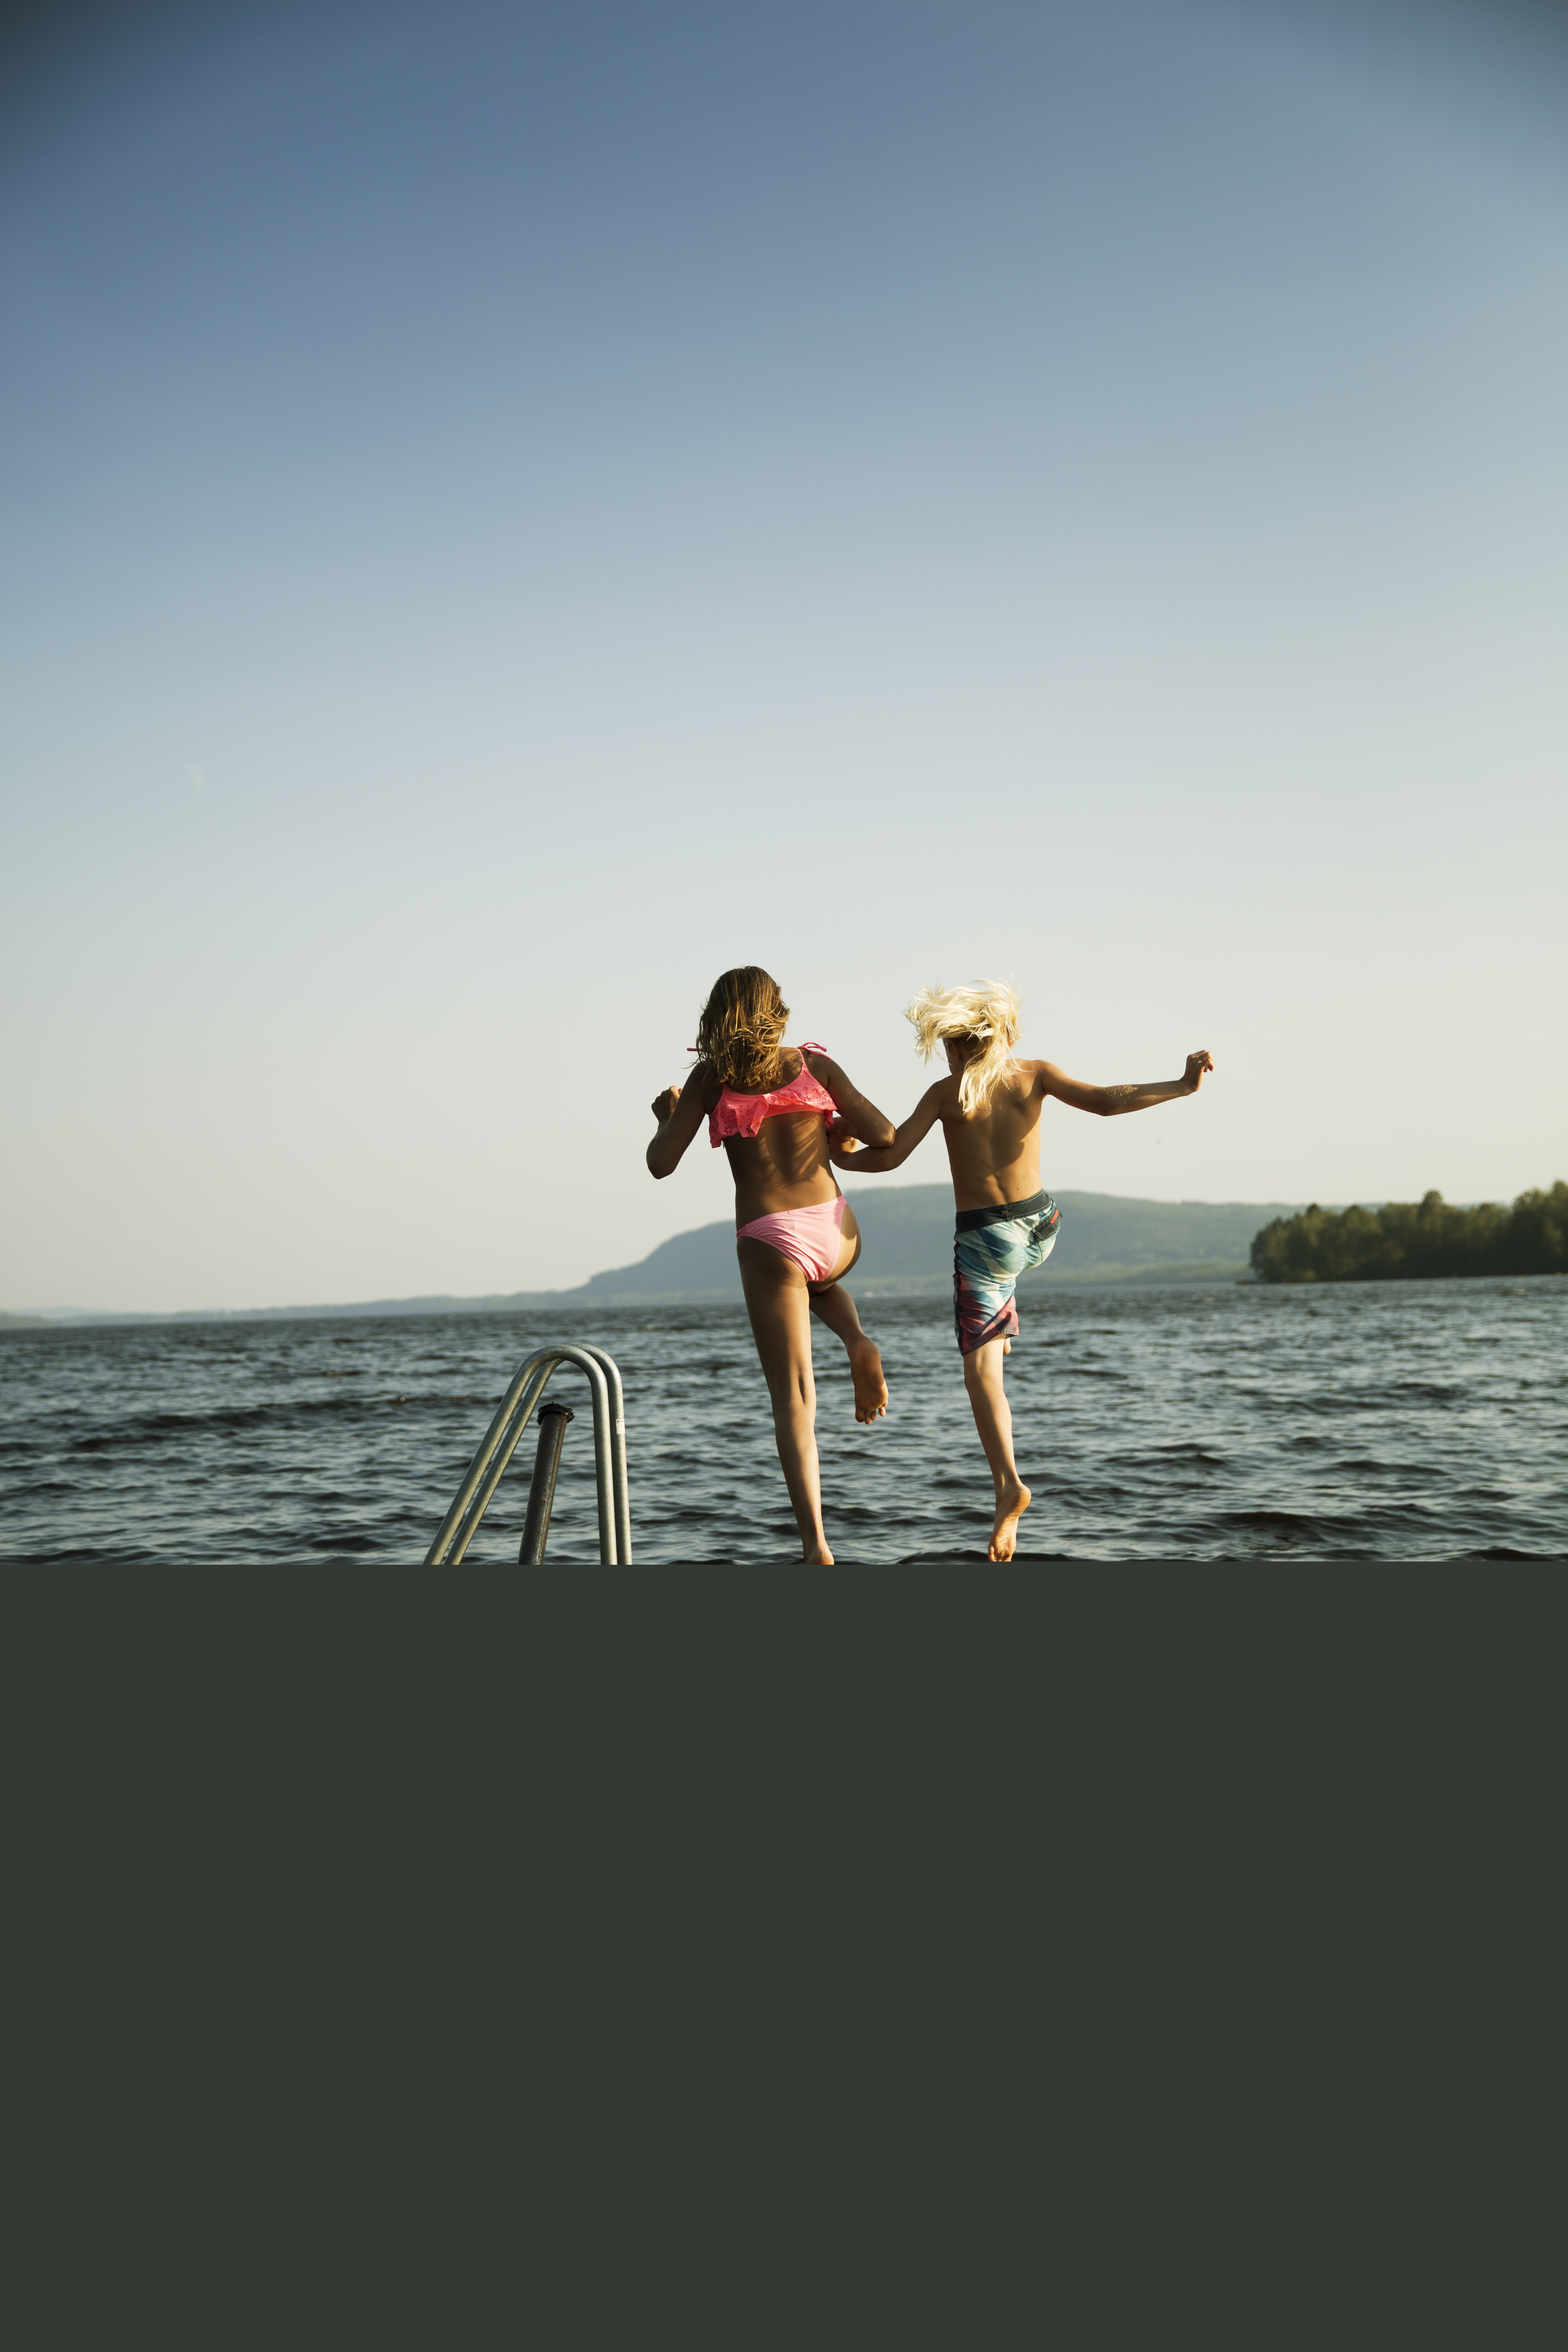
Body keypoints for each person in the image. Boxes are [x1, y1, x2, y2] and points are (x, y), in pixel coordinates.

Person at [832, 980, 1215, 1561]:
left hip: (987, 1239)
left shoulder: (946, 1093)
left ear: (955, 1047)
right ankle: (1001, 1323)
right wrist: (1183, 1086)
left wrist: (840, 1156)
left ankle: (1009, 1486)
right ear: (1004, 1036)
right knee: (999, 1291)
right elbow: (1109, 1100)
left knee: (980, 1372)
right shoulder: (1034, 1073)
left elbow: (890, 1156)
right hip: (1043, 1227)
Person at [646, 966, 896, 1565]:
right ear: (776, 1010)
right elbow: (884, 1134)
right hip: (835, 1229)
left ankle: (815, 1546)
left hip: (770, 1236)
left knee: (794, 1400)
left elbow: (660, 1164)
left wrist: (666, 1117)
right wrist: (834, 1131)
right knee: (818, 1283)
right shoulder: (815, 1066)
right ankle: (857, 1339)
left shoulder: (710, 1078)